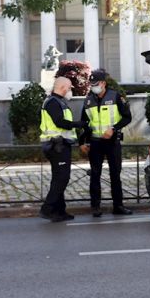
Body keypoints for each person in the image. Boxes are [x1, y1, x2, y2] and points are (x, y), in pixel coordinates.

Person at [79, 70, 133, 217]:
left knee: (115, 175)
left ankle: (118, 206)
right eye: (91, 84)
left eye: (95, 84)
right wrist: (82, 142)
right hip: (95, 143)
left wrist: (114, 129)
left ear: (103, 83)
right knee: (95, 175)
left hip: (112, 142)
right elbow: (84, 123)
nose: (93, 87)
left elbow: (127, 118)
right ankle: (95, 207)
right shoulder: (88, 100)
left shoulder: (116, 97)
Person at [39, 77, 88, 222]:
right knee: (62, 178)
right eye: (70, 87)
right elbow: (59, 122)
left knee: (59, 178)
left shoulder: (58, 101)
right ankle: (47, 209)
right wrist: (79, 124)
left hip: (61, 145)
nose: (70, 90)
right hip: (56, 146)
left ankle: (59, 211)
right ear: (63, 87)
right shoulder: (53, 102)